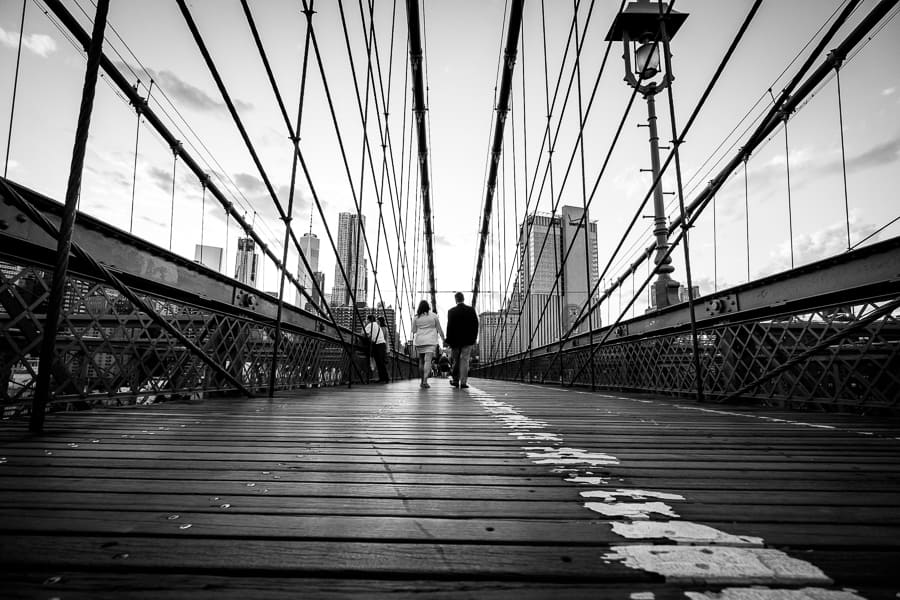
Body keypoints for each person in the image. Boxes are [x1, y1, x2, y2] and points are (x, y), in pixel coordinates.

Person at [445, 291, 479, 389]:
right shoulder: (471, 310)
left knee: (456, 360)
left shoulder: (451, 311)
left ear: (456, 300)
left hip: (455, 341)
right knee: (465, 361)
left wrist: (448, 340)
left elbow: (449, 327)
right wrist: (474, 338)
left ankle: (455, 380)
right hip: (468, 340)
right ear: (463, 299)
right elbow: (476, 325)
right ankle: (463, 382)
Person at [411, 300, 445, 388]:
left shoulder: (416, 317)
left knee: (421, 361)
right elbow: (439, 329)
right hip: (430, 341)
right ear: (428, 307)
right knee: (428, 361)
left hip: (419, 341)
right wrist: (443, 339)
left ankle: (422, 380)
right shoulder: (434, 316)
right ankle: (425, 381)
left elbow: (414, 330)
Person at [363, 314, 389, 383]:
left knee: (379, 362)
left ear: (369, 320)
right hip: (382, 344)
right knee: (381, 362)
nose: (366, 321)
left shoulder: (370, 325)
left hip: (377, 345)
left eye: (367, 319)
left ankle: (384, 378)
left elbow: (363, 333)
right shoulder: (377, 325)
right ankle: (384, 378)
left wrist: (365, 325)